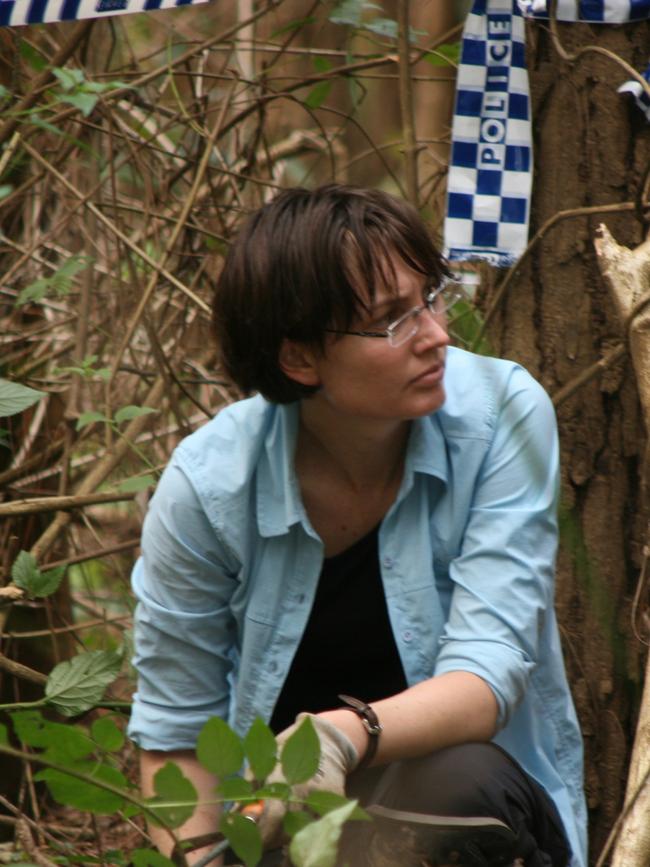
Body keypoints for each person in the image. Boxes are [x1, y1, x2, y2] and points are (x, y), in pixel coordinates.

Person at [127, 185, 586, 867]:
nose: (436, 334)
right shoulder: (209, 488)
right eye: (394, 320)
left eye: (432, 295)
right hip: (284, 828)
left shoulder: (500, 416)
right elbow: (175, 731)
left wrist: (342, 734)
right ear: (300, 357)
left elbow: (487, 670)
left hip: (449, 810)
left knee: (461, 789)